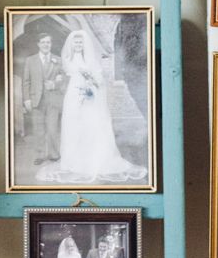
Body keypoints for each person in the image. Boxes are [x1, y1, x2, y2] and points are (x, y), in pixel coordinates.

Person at [37, 30, 146, 185]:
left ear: (84, 44)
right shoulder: (66, 59)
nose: (78, 45)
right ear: (71, 44)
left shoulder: (90, 59)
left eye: (80, 42)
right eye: (76, 42)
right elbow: (65, 77)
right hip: (73, 95)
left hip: (89, 96)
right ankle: (73, 161)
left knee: (91, 124)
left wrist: (93, 85)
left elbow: (98, 77)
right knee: (74, 125)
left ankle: (94, 158)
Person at [22, 33, 66, 165]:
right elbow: (26, 82)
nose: (46, 44)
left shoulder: (58, 60)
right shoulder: (30, 60)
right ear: (38, 44)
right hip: (37, 100)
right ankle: (40, 155)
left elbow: (64, 80)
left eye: (48, 42)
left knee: (52, 128)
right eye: (43, 42)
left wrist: (55, 84)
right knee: (38, 129)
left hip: (53, 100)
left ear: (51, 44)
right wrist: (27, 99)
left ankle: (54, 154)